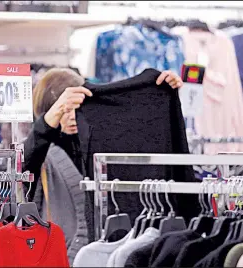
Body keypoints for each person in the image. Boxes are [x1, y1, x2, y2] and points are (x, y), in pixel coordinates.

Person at [19, 69, 183, 263]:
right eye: (65, 109)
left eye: (78, 108)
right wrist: (49, 119)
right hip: (64, 257)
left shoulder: (101, 141)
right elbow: (26, 164)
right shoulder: (43, 151)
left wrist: (162, 93)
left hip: (109, 251)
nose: (72, 116)